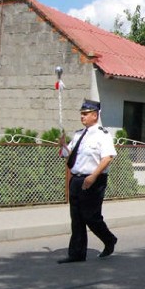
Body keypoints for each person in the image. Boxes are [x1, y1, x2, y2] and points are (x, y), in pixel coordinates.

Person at [57, 99, 118, 263]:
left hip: (94, 179)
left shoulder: (102, 135)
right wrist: (63, 145)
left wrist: (93, 176)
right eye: (81, 114)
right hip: (76, 179)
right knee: (76, 218)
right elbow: (66, 154)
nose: (82, 117)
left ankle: (109, 239)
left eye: (85, 114)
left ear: (95, 115)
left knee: (91, 216)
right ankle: (76, 253)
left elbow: (108, 158)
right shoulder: (78, 135)